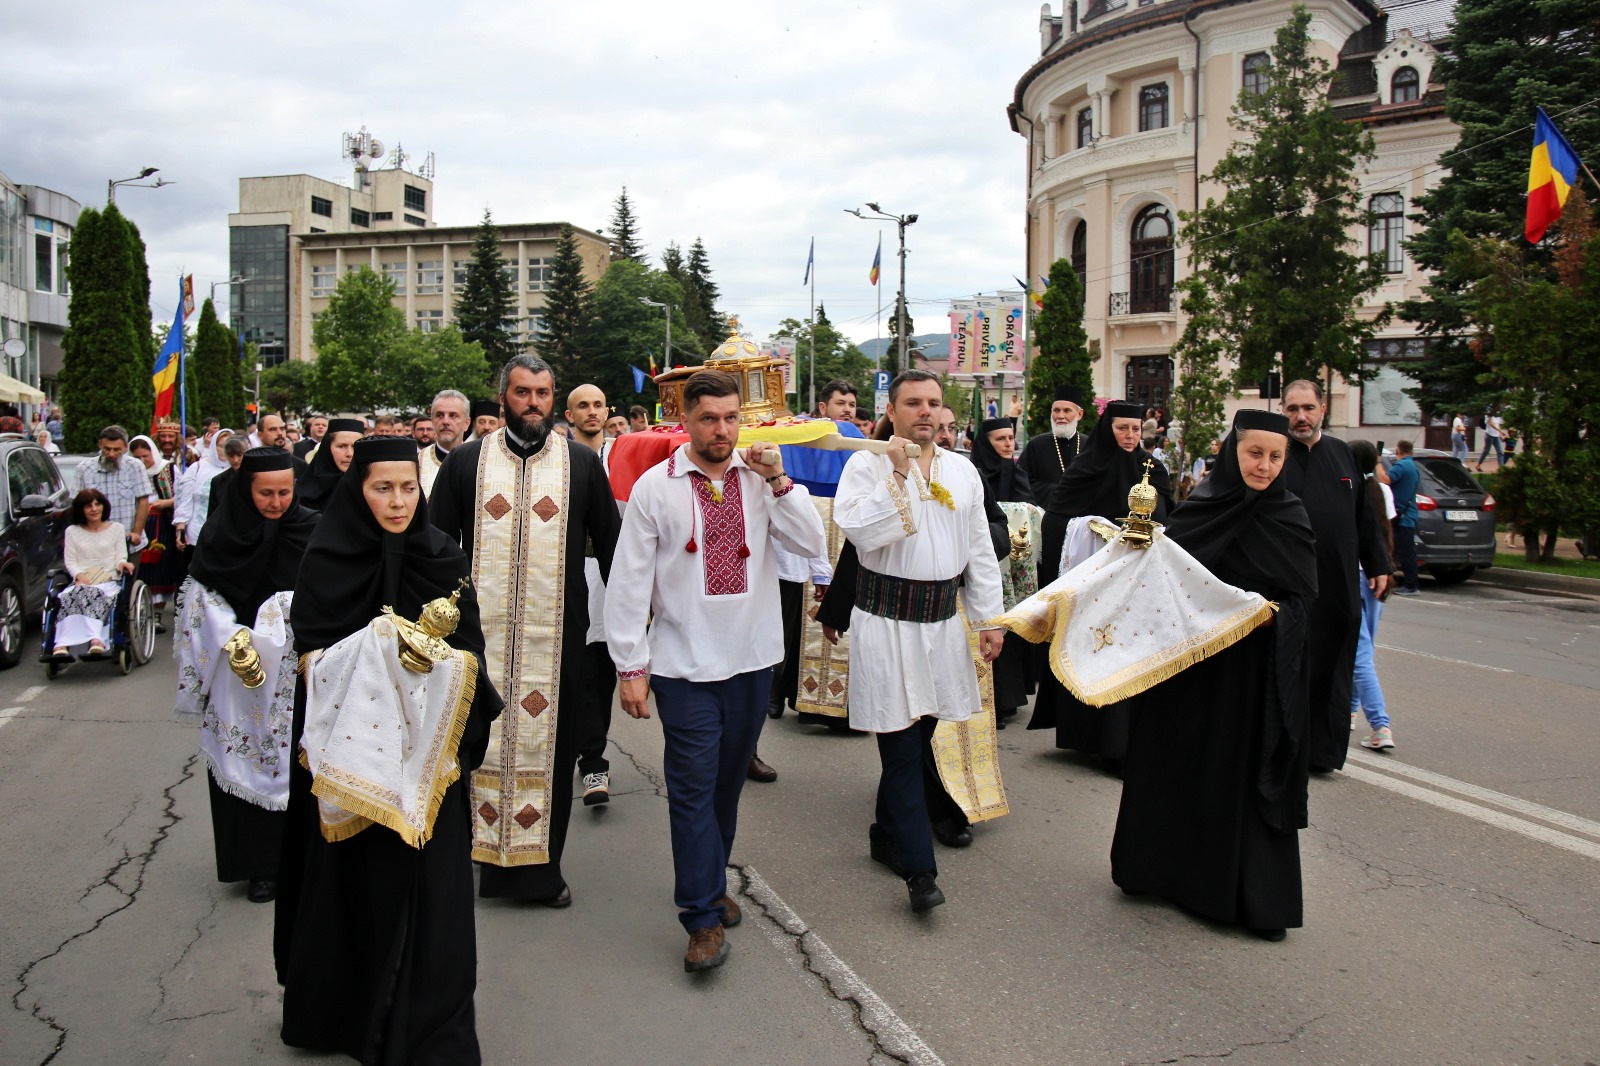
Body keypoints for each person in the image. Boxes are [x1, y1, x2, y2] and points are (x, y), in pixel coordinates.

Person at [275, 436, 502, 1063]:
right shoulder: (326, 558)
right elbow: (309, 658)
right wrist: (375, 652)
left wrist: (433, 664)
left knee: (434, 895)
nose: (398, 501)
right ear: (359, 489)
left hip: (428, 763)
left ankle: (432, 1031)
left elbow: (472, 655)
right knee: (349, 890)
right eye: (383, 488)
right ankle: (344, 1018)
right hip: (352, 764)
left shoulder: (441, 556)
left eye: (408, 488)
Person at [606, 369, 826, 970]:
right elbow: (628, 580)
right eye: (709, 418)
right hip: (683, 666)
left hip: (753, 660)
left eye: (731, 418)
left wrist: (780, 479)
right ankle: (701, 915)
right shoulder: (657, 486)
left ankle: (711, 882)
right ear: (687, 419)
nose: (722, 430)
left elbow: (810, 542)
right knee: (693, 790)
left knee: (727, 788)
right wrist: (631, 663)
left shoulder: (761, 482)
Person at [1111, 410, 1318, 942]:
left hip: (1252, 679)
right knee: (1180, 763)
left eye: (1276, 457)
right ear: (1233, 452)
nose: (1265, 466)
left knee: (1239, 775)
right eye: (1255, 454)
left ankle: (1242, 896)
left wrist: (1270, 614)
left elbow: (1302, 600)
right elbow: (1163, 586)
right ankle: (1163, 872)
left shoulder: (1290, 515)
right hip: (1191, 672)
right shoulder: (1200, 508)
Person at [428, 356, 621, 906]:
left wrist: (633, 633)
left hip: (557, 642)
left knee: (552, 756)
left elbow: (613, 550)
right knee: (475, 751)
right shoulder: (466, 463)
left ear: (552, 398)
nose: (532, 402)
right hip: (477, 642)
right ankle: (481, 860)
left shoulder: (581, 465)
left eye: (541, 393)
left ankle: (540, 872)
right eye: (521, 392)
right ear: (502, 396)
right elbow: (436, 546)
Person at [833, 369, 1004, 914]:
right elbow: (862, 533)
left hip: (940, 624)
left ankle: (886, 833)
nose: (925, 411)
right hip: (885, 623)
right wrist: (899, 474)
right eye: (913, 403)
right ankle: (919, 871)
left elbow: (978, 547)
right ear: (893, 409)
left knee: (923, 732)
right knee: (900, 745)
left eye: (933, 402)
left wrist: (989, 619)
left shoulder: (963, 470)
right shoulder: (865, 464)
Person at [178, 448, 318, 903]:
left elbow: (327, 588)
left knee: (303, 762)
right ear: (245, 490)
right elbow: (202, 596)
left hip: (296, 670)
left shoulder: (311, 529)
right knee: (246, 755)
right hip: (240, 676)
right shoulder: (221, 534)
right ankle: (257, 866)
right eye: (265, 494)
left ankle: (304, 860)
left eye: (284, 492)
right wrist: (233, 639)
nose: (276, 502)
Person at [1029, 401, 1171, 766]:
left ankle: (1120, 744)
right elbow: (1056, 520)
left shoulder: (1152, 469)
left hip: (1137, 582)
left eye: (1136, 430)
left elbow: (1168, 518)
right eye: (1123, 429)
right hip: (1094, 583)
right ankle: (1085, 736)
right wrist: (1091, 529)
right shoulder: (1086, 467)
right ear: (1109, 428)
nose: (1130, 436)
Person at [1281, 380, 1390, 773]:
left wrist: (1378, 564)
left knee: (1332, 667)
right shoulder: (1275, 455)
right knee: (1289, 669)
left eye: (1307, 407)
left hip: (1337, 587)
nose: (1301, 417)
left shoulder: (1343, 455)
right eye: (1292, 409)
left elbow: (1365, 518)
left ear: (1322, 408)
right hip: (1288, 586)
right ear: (1283, 410)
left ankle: (1323, 754)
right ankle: (1285, 749)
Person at [565, 383, 622, 804]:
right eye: (582, 405)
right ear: (569, 415)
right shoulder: (556, 459)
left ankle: (594, 763)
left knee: (600, 674)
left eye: (598, 404)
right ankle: (570, 756)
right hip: (565, 575)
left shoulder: (625, 456)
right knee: (570, 672)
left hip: (612, 574)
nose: (591, 412)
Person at [970, 417, 1036, 729]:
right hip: (987, 566)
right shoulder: (976, 476)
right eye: (1000, 439)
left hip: (1015, 567)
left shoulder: (1017, 472)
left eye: (1011, 438)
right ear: (986, 443)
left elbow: (1032, 511)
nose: (1008, 444)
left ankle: (1008, 699)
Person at [1349, 440, 1396, 751]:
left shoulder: (1351, 489)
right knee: (1364, 649)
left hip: (1356, 574)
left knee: (1359, 654)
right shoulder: (1383, 491)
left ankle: (1381, 726)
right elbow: (1388, 531)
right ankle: (1349, 711)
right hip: (1377, 575)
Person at [52, 488, 133, 658]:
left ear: (104, 506)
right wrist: (79, 575)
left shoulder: (116, 529)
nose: (94, 509)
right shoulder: (72, 532)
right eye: (89, 506)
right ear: (81, 510)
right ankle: (63, 643)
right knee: (71, 595)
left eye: (97, 504)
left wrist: (122, 563)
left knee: (90, 593)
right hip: (82, 579)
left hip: (108, 581)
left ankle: (94, 639)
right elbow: (71, 561)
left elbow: (120, 557)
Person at [75, 425, 151, 558]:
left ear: (126, 448)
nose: (111, 454)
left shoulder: (135, 466)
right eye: (107, 449)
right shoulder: (84, 468)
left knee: (127, 578)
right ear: (100, 445)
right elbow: (76, 506)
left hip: (128, 541)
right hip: (94, 543)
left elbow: (143, 501)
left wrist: (136, 533)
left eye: (117, 450)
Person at [128, 435, 179, 631]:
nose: (142, 461)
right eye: (137, 457)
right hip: (138, 525)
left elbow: (182, 495)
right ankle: (140, 610)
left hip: (163, 524)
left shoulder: (168, 469)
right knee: (142, 569)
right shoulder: (130, 472)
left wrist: (164, 503)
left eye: (145, 456)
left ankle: (156, 615)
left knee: (161, 568)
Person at [1016, 386, 1087, 500]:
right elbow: (1022, 482)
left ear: (1079, 414)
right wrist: (1057, 491)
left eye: (1067, 411)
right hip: (1046, 511)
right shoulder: (1036, 445)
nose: (1060, 416)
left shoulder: (1089, 445)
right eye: (1056, 410)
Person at [292, 418, 363, 513]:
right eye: (341, 446)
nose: (349, 453)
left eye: (355, 447)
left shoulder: (369, 487)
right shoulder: (303, 497)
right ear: (327, 448)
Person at [419, 390, 470, 495]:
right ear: (432, 421)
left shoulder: (480, 461)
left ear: (466, 423)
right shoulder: (417, 463)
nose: (445, 421)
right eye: (440, 415)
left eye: (453, 415)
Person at [1387, 440, 1421, 596]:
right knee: (1403, 551)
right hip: (1408, 515)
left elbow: (1386, 479)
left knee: (1406, 552)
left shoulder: (1402, 466)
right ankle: (1404, 582)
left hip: (1403, 517)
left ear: (1397, 450)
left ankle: (1411, 585)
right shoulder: (1413, 466)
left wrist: (1377, 463)